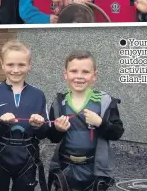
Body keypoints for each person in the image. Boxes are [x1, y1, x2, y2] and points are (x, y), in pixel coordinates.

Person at [46, 50, 124, 191]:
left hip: (94, 170)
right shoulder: (58, 103)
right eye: (74, 71)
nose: (79, 77)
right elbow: (53, 138)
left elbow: (117, 133)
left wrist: (101, 123)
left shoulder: (105, 102)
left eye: (85, 72)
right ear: (65, 74)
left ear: (94, 76)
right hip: (65, 168)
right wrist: (58, 130)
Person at [0, 40, 49, 191]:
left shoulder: (38, 94)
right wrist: (1, 123)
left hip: (27, 157)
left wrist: (38, 126)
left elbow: (45, 133)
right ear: (2, 64)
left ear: (29, 65)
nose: (16, 70)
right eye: (10, 65)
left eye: (21, 65)